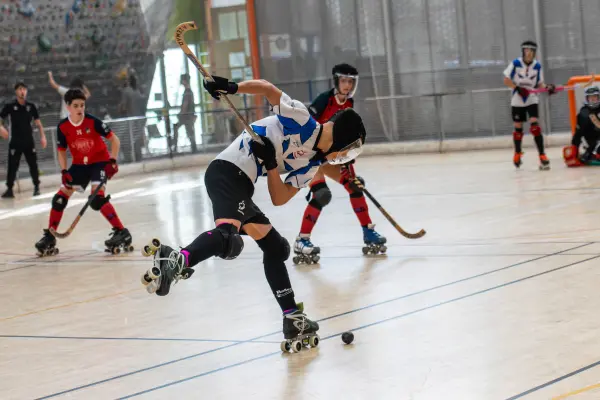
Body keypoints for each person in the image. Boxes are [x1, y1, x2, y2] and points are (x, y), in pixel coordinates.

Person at [140, 76, 366, 351]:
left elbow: (279, 197)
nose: (342, 157)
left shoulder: (310, 165)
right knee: (229, 239)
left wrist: (271, 164)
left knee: (276, 248)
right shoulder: (301, 120)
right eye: (347, 150)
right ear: (342, 140)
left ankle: (292, 317)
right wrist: (231, 87)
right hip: (226, 171)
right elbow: (268, 89)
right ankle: (176, 259)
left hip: (242, 183)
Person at [293, 63, 386, 264]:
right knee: (322, 194)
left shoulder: (348, 103)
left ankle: (368, 232)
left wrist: (348, 160)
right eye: (344, 81)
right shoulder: (324, 101)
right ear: (336, 81)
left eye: (350, 82)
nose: (347, 85)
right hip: (310, 155)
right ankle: (302, 240)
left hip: (329, 155)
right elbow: (307, 128)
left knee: (355, 186)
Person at [34, 89, 132, 257]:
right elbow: (61, 150)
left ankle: (122, 232)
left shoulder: (93, 122)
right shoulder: (63, 127)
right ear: (68, 107)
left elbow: (114, 139)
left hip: (99, 163)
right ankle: (50, 236)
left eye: (82, 105)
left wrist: (112, 161)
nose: (80, 109)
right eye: (76, 106)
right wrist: (64, 170)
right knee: (59, 199)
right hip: (79, 165)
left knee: (96, 199)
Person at [503, 40, 556, 170]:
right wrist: (517, 88)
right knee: (518, 126)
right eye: (527, 50)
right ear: (523, 51)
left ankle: (542, 155)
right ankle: (517, 153)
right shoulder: (516, 63)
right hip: (517, 98)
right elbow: (506, 80)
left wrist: (548, 87)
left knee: (535, 125)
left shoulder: (537, 66)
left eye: (532, 50)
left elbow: (540, 84)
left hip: (531, 98)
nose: (529, 53)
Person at [0, 82, 47, 198]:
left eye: (24, 89)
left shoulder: (31, 106)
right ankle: (9, 189)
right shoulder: (10, 106)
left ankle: (36, 187)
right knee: (12, 166)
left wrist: (43, 137)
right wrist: (1, 129)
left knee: (33, 165)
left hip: (28, 141)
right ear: (16, 91)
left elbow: (39, 124)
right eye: (20, 89)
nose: (22, 91)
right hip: (15, 141)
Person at [564, 86, 600, 167]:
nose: (593, 99)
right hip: (592, 142)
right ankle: (591, 154)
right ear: (587, 99)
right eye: (590, 97)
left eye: (595, 96)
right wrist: (574, 148)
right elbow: (578, 133)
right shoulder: (584, 113)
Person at [173, 73, 197, 153]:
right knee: (190, 131)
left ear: (184, 81)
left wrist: (181, 114)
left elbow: (185, 105)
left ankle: (175, 147)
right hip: (188, 116)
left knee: (180, 128)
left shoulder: (187, 92)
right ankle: (194, 148)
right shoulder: (189, 91)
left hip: (186, 116)